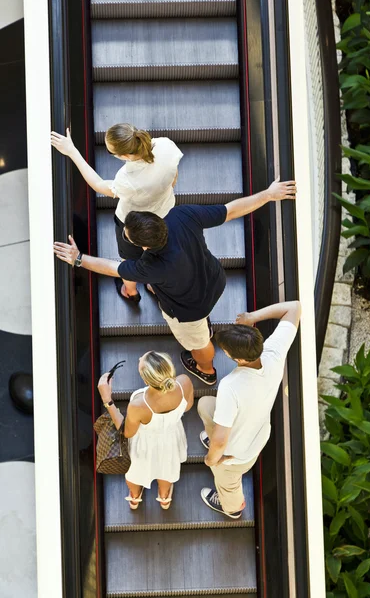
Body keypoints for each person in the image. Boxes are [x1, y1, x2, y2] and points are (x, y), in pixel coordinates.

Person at [53, 179, 297, 385]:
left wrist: (78, 259)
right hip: (213, 280)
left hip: (190, 311)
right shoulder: (182, 215)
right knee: (162, 288)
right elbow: (231, 210)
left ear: (144, 246)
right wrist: (268, 194)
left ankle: (206, 369)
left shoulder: (150, 267)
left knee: (200, 342)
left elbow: (112, 268)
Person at [51, 124, 183, 301]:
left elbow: (98, 185)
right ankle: (153, 284)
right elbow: (174, 176)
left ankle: (131, 291)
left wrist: (72, 151)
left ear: (125, 155)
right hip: (165, 212)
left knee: (129, 261)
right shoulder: (165, 145)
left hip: (133, 222)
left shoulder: (127, 179)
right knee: (158, 249)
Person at [197, 299, 301, 519]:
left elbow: (220, 442)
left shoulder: (230, 387)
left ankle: (232, 507)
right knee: (205, 405)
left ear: (239, 359)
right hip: (257, 434)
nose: (223, 352)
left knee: (225, 478)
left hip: (235, 455)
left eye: (225, 351)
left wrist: (211, 459)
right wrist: (252, 317)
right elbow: (294, 307)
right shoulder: (272, 353)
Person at [97, 351, 194, 510]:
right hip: (170, 438)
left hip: (143, 444)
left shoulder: (139, 403)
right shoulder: (184, 382)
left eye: (141, 361)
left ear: (145, 379)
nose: (139, 358)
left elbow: (127, 432)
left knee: (136, 471)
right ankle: (164, 497)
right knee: (166, 469)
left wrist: (107, 400)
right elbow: (188, 406)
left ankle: (135, 497)